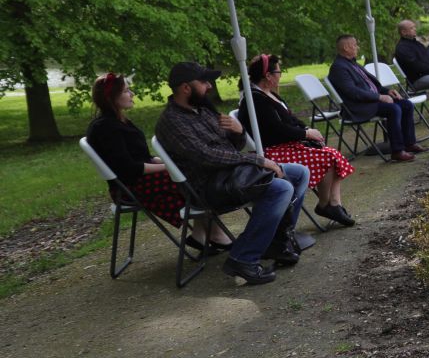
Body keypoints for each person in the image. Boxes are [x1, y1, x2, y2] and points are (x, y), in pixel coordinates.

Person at [155, 61, 310, 285]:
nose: (209, 86)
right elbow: (207, 156)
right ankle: (243, 258)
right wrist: (257, 160)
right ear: (185, 88)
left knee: (299, 173)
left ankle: (276, 243)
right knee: (280, 188)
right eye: (204, 82)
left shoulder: (202, 110)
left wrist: (239, 132)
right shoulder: (172, 122)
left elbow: (229, 149)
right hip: (208, 187)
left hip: (230, 175)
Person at [85, 72, 228, 252]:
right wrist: (169, 167)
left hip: (139, 178)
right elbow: (128, 168)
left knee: (193, 173)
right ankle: (213, 235)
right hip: (129, 186)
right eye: (126, 91)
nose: (132, 94)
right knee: (193, 180)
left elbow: (142, 156)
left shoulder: (120, 121)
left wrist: (171, 162)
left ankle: (201, 235)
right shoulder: (106, 128)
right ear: (111, 97)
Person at [239, 53, 356, 227]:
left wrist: (306, 129)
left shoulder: (269, 95)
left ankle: (334, 203)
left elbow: (290, 119)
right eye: (278, 72)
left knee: (333, 155)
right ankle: (326, 205)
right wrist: (306, 135)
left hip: (286, 145)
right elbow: (276, 130)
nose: (280, 75)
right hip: (271, 151)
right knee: (327, 157)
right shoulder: (255, 99)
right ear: (268, 76)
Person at [328, 34, 424, 161]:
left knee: (406, 104)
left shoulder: (353, 63)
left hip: (370, 101)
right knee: (394, 109)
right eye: (355, 44)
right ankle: (397, 151)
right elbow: (353, 92)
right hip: (358, 107)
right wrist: (379, 97)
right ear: (346, 47)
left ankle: (410, 143)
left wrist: (388, 91)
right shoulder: (339, 67)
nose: (358, 47)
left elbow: (371, 86)